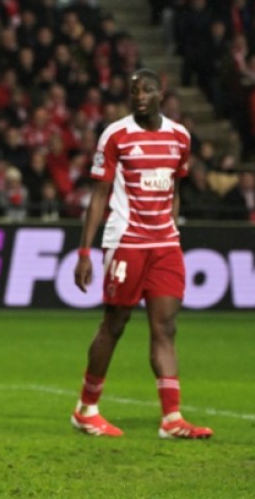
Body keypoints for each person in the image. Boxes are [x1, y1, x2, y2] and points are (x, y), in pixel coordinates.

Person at [72, 68, 213, 440]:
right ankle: (86, 409)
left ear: (161, 93)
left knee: (166, 328)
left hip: (165, 244)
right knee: (115, 324)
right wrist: (86, 250)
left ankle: (172, 419)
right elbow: (99, 195)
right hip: (127, 241)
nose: (139, 96)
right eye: (134, 90)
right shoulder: (116, 135)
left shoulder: (180, 137)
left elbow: (175, 187)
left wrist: (172, 224)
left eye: (147, 90)